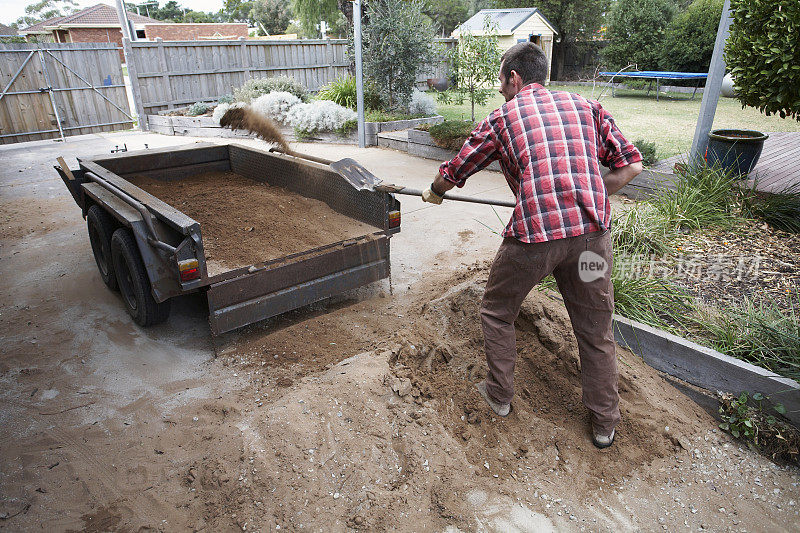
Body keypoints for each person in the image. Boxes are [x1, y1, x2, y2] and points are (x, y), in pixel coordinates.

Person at [421, 42, 643, 449]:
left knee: (496, 310)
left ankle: (500, 396)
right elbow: (631, 164)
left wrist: (434, 191)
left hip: (535, 239)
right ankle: (604, 423)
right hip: (592, 241)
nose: (501, 90)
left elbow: (458, 169)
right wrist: (590, 191)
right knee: (596, 330)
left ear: (515, 78)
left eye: (502, 82)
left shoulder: (503, 117)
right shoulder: (587, 107)